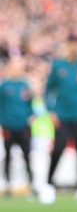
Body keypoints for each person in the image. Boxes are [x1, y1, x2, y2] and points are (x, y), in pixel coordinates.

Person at [40, 34, 77, 205]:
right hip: (62, 116)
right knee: (58, 149)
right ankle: (48, 185)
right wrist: (51, 111)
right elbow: (48, 90)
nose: (74, 47)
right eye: (72, 44)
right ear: (67, 45)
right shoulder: (58, 66)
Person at [0, 56, 35, 196]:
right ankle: (8, 184)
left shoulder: (24, 85)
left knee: (27, 155)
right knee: (8, 156)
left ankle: (31, 184)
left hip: (23, 126)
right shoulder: (4, 86)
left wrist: (31, 116)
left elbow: (30, 104)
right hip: (9, 126)